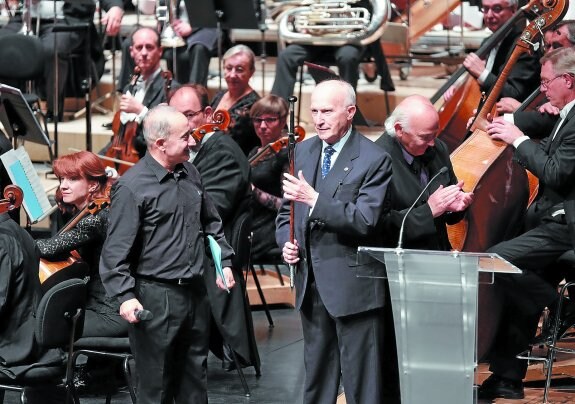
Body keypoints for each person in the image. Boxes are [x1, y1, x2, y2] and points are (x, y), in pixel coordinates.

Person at [99, 105, 236, 404]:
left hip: (195, 294)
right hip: (155, 297)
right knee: (156, 387)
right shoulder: (132, 187)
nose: (193, 141)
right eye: (185, 136)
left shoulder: (191, 172)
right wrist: (124, 295)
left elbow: (211, 222)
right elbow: (115, 252)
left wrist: (222, 262)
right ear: (160, 143)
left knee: (195, 384)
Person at [276, 79, 393, 404]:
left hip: (353, 289)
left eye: (327, 110)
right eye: (314, 110)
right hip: (311, 286)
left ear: (350, 112)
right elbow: (286, 213)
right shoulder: (303, 150)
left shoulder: (374, 158)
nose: (319, 118)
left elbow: (365, 220)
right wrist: (285, 244)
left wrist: (314, 199)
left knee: (363, 386)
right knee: (316, 381)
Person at [477, 46, 575, 400]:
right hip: (551, 221)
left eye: (547, 82)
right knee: (520, 293)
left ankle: (563, 306)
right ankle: (507, 377)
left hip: (567, 228)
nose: (543, 89)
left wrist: (517, 139)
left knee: (495, 259)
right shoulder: (566, 112)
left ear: (568, 80)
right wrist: (514, 123)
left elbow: (557, 173)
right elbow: (546, 131)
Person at [169, 84, 260, 372]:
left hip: (209, 254)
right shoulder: (189, 151)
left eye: (189, 115)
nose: (182, 124)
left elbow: (209, 211)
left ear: (208, 114)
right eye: (174, 116)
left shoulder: (223, 153)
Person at [36, 151, 126, 339]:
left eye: (73, 179)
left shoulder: (95, 219)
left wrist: (12, 234)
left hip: (108, 313)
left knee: (40, 328)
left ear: (93, 184)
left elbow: (47, 248)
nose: (63, 186)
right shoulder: (95, 210)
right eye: (62, 179)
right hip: (97, 304)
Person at [376, 95, 473, 249]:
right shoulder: (377, 161)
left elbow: (448, 196)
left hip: (438, 251)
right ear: (399, 130)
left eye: (435, 134)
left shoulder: (438, 148)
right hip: (399, 257)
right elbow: (378, 226)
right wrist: (429, 211)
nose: (432, 143)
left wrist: (455, 205)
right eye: (425, 137)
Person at [0, 0, 124, 121]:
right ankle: (8, 108)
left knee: (52, 50)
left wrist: (115, 7)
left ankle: (53, 110)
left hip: (64, 20)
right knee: (4, 45)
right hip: (25, 18)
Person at [443, 0, 540, 103]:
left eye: (497, 9)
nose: (489, 15)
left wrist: (482, 73)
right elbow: (476, 83)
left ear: (513, 9)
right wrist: (458, 88)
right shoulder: (487, 42)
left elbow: (514, 93)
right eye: (485, 9)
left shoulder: (524, 46)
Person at [112, 27, 173, 159]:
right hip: (123, 154)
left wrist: (141, 111)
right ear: (131, 51)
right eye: (139, 47)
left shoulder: (169, 88)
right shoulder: (130, 87)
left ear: (160, 51)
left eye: (149, 47)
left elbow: (168, 134)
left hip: (151, 159)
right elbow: (118, 136)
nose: (144, 53)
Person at [248, 95, 290, 261]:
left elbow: (287, 205)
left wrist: (255, 192)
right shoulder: (253, 153)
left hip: (269, 232)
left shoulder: (285, 155)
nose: (262, 126)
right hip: (252, 224)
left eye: (270, 120)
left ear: (282, 121)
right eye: (258, 120)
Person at [210, 44, 260, 156]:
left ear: (251, 72)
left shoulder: (252, 105)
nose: (232, 75)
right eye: (228, 68)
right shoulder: (220, 94)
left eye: (239, 69)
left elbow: (228, 142)